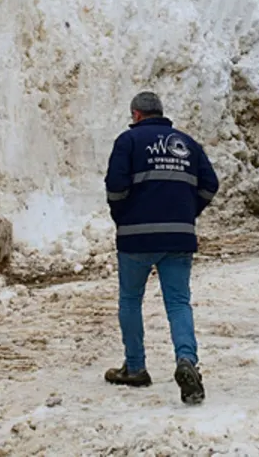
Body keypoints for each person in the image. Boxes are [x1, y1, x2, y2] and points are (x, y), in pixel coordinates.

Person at [102, 91, 218, 405]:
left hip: (135, 237)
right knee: (178, 303)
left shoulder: (128, 142)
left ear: (136, 115)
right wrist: (186, 212)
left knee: (130, 299)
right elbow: (211, 185)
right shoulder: (187, 143)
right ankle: (186, 361)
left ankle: (136, 368)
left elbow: (115, 185)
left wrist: (122, 216)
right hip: (178, 236)